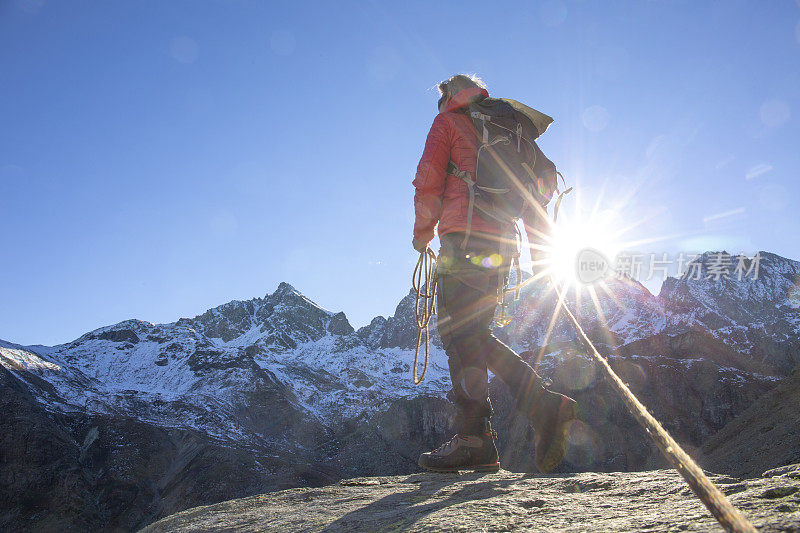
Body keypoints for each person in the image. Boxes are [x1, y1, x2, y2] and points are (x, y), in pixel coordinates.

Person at [411, 74, 578, 474]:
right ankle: (538, 410)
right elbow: (543, 183)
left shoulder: (449, 122)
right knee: (474, 335)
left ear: (449, 97)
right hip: (502, 247)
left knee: (458, 334)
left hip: (463, 242)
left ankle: (477, 439)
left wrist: (422, 235)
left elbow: (429, 178)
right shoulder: (506, 125)